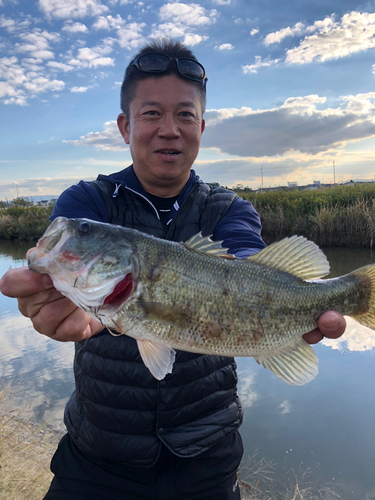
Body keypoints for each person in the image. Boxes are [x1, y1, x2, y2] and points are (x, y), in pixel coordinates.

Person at [0, 39, 346, 500]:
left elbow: (245, 263)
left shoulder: (230, 209)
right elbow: (60, 281)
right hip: (97, 452)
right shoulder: (88, 204)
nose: (169, 130)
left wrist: (284, 306)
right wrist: (53, 297)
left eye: (184, 115)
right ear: (125, 126)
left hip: (207, 454)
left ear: (201, 127)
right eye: (151, 114)